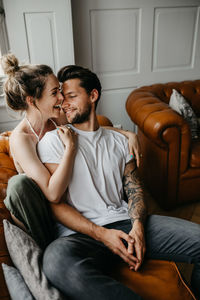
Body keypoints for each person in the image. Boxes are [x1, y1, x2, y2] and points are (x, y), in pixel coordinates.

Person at [35, 65, 200, 300]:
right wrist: (102, 234)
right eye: (63, 98)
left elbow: (135, 191)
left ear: (93, 96)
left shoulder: (121, 141)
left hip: (125, 223)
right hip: (79, 235)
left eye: (71, 96)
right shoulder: (54, 141)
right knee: (55, 262)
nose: (64, 103)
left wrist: (138, 228)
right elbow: (55, 204)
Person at [1, 53, 140, 249]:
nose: (61, 98)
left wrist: (126, 134)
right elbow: (51, 194)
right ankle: (48, 249)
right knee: (18, 183)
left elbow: (88, 128)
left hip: (69, 201)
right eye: (54, 93)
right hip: (38, 208)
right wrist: (70, 149)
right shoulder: (22, 139)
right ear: (32, 101)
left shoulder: (54, 118)